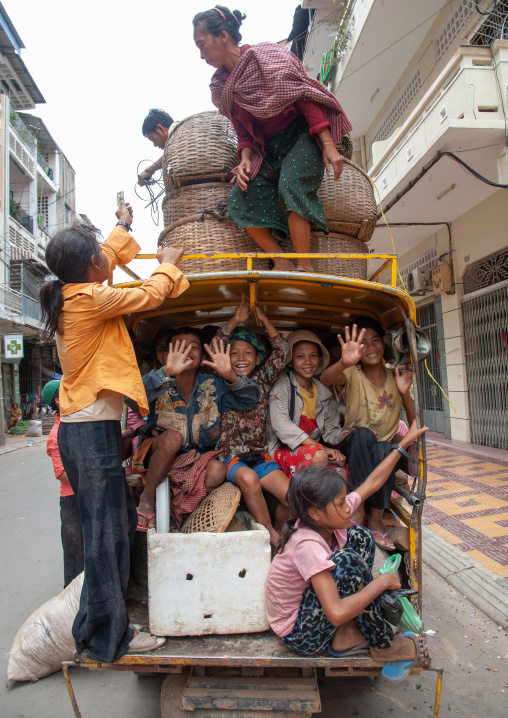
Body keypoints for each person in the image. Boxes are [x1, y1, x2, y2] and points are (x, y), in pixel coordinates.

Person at [39, 201, 189, 662]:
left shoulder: (75, 290)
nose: (107, 262)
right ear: (89, 269)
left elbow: (103, 253)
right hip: (88, 436)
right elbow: (147, 295)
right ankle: (107, 639)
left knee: (116, 527)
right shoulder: (89, 299)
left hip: (87, 433)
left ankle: (94, 623)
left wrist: (123, 225)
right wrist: (166, 265)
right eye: (99, 259)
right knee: (106, 536)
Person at [193, 6, 352, 272]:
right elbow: (243, 131)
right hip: (268, 150)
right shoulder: (221, 86)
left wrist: (327, 145)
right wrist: (244, 159)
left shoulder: (265, 56)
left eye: (202, 44)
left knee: (291, 183)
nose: (201, 55)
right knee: (239, 198)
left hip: (301, 135)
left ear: (222, 35)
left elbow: (302, 95)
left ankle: (305, 264)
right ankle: (281, 260)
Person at [265, 420, 427, 677]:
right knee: (349, 562)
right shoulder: (307, 544)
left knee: (360, 536)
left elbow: (373, 482)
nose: (347, 509)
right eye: (340, 504)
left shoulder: (326, 522)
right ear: (315, 513)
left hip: (317, 610)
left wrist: (403, 444)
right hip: (300, 633)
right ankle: (382, 644)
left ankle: (347, 634)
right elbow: (337, 612)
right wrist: (382, 582)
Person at [133, 326, 261, 530]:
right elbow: (131, 399)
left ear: (202, 357)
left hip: (197, 457)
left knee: (218, 470)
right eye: (180, 347)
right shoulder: (157, 379)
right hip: (157, 452)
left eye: (193, 347)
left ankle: (183, 517)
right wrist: (166, 372)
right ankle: (147, 502)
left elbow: (250, 399)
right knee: (173, 438)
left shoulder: (212, 384)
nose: (187, 352)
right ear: (167, 354)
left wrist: (230, 375)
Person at [320, 319, 417, 550]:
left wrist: (404, 394)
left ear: (384, 345)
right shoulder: (352, 373)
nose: (371, 347)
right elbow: (324, 379)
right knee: (364, 435)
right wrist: (344, 362)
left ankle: (375, 518)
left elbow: (413, 422)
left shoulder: (396, 376)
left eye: (375, 341)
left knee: (387, 449)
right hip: (354, 442)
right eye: (363, 343)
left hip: (381, 448)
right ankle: (359, 508)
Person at [212, 295, 290, 546]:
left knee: (292, 497)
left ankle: (280, 526)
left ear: (258, 360)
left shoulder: (263, 378)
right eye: (234, 353)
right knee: (248, 479)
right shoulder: (221, 379)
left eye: (248, 352)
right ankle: (271, 534)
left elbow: (283, 351)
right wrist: (235, 320)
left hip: (259, 454)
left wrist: (263, 318)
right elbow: (216, 343)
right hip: (230, 455)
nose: (241, 358)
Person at [268, 330, 344, 478]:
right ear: (290, 361)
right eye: (300, 357)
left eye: (313, 356)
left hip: (312, 451)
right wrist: (320, 447)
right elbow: (281, 426)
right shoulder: (282, 386)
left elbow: (330, 433)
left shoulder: (324, 394)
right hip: (281, 451)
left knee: (342, 475)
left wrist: (348, 433)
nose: (307, 361)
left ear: (320, 359)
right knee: (320, 456)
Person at [43, 379, 84, 589]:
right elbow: (61, 473)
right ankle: (72, 601)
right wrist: (88, 477)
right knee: (75, 555)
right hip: (72, 500)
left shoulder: (78, 425)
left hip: (85, 494)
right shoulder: (55, 434)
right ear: (59, 401)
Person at [138, 108, 174, 186]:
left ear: (160, 128)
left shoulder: (181, 132)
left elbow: (174, 150)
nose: (155, 145)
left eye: (153, 139)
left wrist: (150, 170)